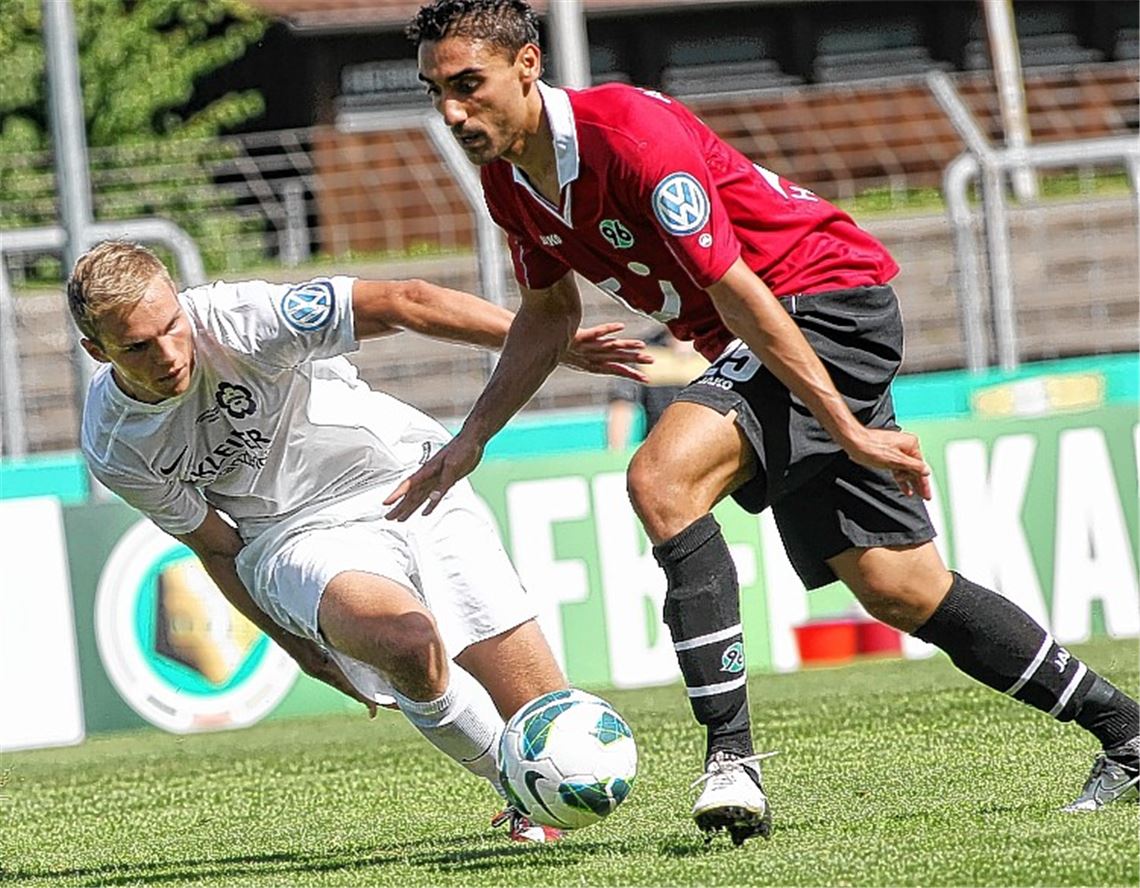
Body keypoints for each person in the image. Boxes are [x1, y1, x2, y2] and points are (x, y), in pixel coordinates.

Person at [391, 0, 1140, 845]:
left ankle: (731, 761)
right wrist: (472, 438)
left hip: (820, 306)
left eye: (468, 85)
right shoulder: (509, 183)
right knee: (899, 585)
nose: (452, 111)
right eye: (435, 91)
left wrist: (844, 426)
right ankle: (1128, 732)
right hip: (771, 334)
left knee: (661, 480)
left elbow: (739, 289)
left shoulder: (628, 133)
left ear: (528, 64)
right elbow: (546, 313)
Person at [68, 239, 650, 843]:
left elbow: (404, 301)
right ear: (98, 351)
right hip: (293, 534)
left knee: (548, 712)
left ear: (180, 302)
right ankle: (516, 787)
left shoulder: (242, 319)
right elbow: (217, 546)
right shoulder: (116, 445)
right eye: (137, 347)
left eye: (171, 326)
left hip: (406, 476)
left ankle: (540, 795)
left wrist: (547, 342)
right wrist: (298, 647)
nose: (167, 354)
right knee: (408, 644)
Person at [606, 328, 707, 451]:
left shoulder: (719, 350)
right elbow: (622, 404)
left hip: (708, 445)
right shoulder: (645, 351)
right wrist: (617, 451)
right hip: (659, 447)